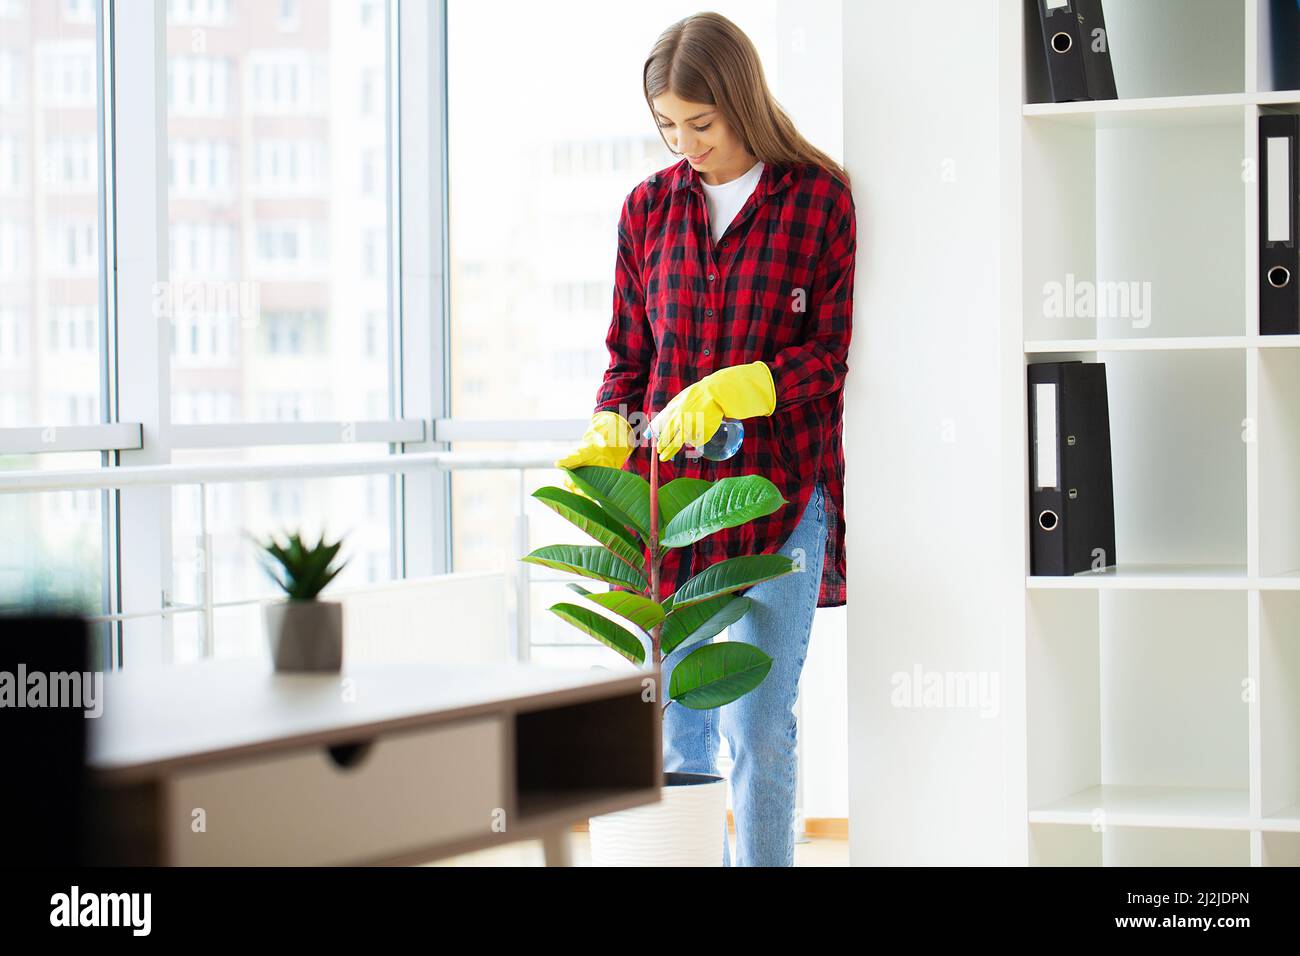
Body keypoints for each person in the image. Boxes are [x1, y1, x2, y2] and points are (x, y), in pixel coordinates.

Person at [554, 11, 855, 867]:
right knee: (680, 734)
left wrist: (743, 385)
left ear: (741, 103)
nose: (684, 144)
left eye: (701, 124)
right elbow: (627, 358)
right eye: (666, 127)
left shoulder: (817, 200)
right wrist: (612, 420)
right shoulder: (646, 210)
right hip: (671, 508)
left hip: (783, 501)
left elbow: (826, 359)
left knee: (760, 729)